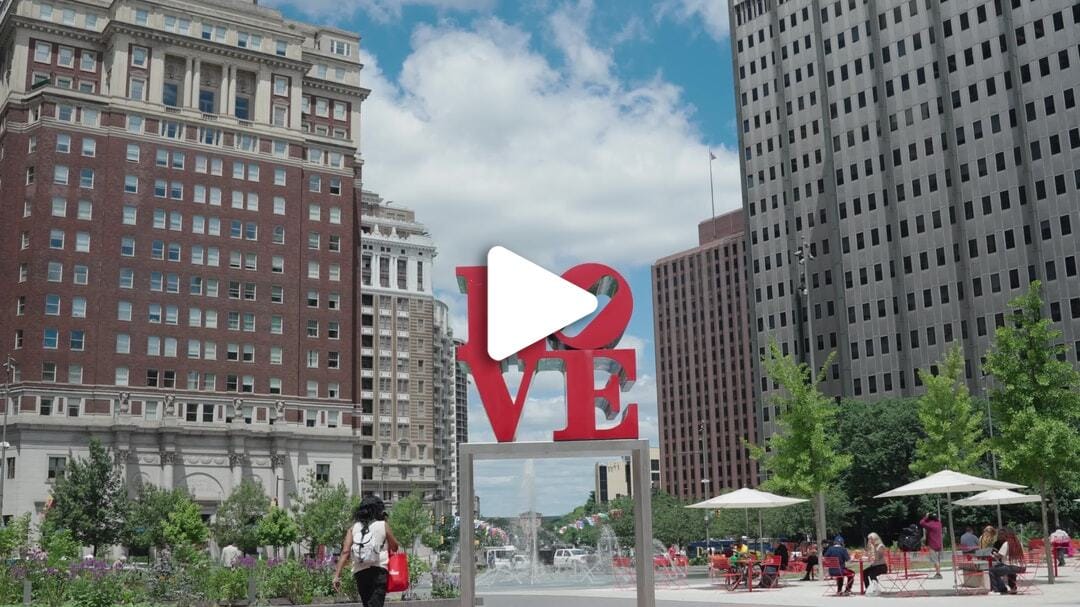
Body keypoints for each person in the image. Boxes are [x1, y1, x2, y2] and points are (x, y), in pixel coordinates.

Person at [333, 495, 400, 607]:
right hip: (379, 570)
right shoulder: (383, 525)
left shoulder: (353, 527)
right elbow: (395, 547)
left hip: (360, 572)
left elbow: (345, 552)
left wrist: (337, 576)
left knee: (367, 604)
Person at [988, 528, 1024, 595]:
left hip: (1010, 567)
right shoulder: (1019, 544)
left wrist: (993, 554)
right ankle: (1013, 588)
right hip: (1021, 567)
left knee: (992, 570)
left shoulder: (1006, 544)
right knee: (1008, 570)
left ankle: (995, 590)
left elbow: (999, 556)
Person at [918, 513, 944, 579]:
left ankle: (938, 574)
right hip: (939, 544)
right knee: (938, 560)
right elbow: (936, 519)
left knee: (935, 561)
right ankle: (938, 572)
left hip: (932, 545)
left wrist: (926, 517)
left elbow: (921, 522)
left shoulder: (930, 525)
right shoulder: (939, 523)